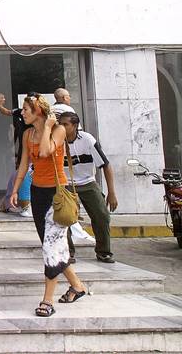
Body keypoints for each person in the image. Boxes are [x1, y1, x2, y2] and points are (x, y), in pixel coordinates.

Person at [8, 93, 89, 317]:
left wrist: (48, 127)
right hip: (38, 193)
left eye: (25, 110)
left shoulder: (58, 130)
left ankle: (47, 300)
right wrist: (15, 190)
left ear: (38, 112)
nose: (22, 113)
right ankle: (77, 285)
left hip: (57, 194)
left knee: (51, 246)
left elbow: (45, 151)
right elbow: (24, 163)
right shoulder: (26, 134)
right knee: (51, 242)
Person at [60, 112, 117, 263]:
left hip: (87, 182)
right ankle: (67, 252)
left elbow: (105, 165)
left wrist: (111, 192)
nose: (62, 127)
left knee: (101, 215)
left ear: (75, 126)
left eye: (65, 124)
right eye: (60, 124)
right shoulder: (57, 140)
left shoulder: (87, 140)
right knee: (64, 217)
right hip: (65, 184)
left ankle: (103, 251)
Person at [0, 93, 32, 216]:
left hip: (36, 155)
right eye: (24, 109)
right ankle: (20, 205)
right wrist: (0, 105)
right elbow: (6, 112)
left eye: (27, 109)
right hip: (26, 152)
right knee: (20, 176)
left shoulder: (46, 123)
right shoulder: (22, 117)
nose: (23, 114)